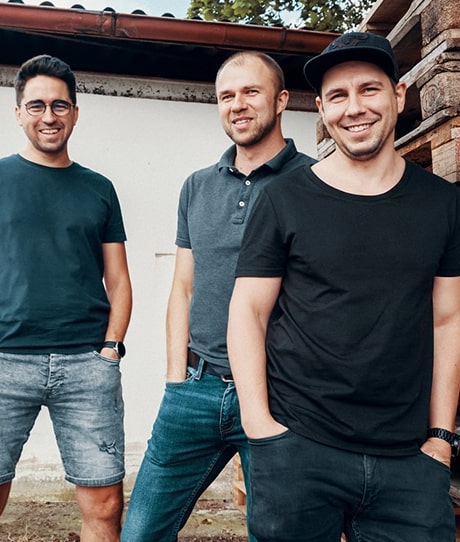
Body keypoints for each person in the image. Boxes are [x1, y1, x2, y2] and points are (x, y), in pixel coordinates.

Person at [226, 32, 460, 542]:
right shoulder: (282, 199)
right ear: (322, 109)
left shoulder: (442, 204)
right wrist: (260, 428)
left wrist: (440, 438)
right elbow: (248, 311)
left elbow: (446, 319)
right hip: (298, 447)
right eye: (337, 96)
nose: (354, 108)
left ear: (398, 95)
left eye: (369, 90)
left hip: (409, 460)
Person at [120, 52, 315, 542]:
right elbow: (183, 285)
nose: (237, 105)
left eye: (251, 92)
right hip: (196, 389)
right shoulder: (197, 186)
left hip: (281, 393)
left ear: (281, 100)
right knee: (140, 534)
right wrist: (175, 379)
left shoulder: (315, 183)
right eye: (226, 96)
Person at [0, 54, 132, 542]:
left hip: (87, 367)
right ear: (18, 113)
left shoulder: (99, 189)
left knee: (106, 507)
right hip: (3, 364)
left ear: (75, 112)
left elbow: (118, 279)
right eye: (36, 106)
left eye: (59, 105)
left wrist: (110, 349)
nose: (48, 116)